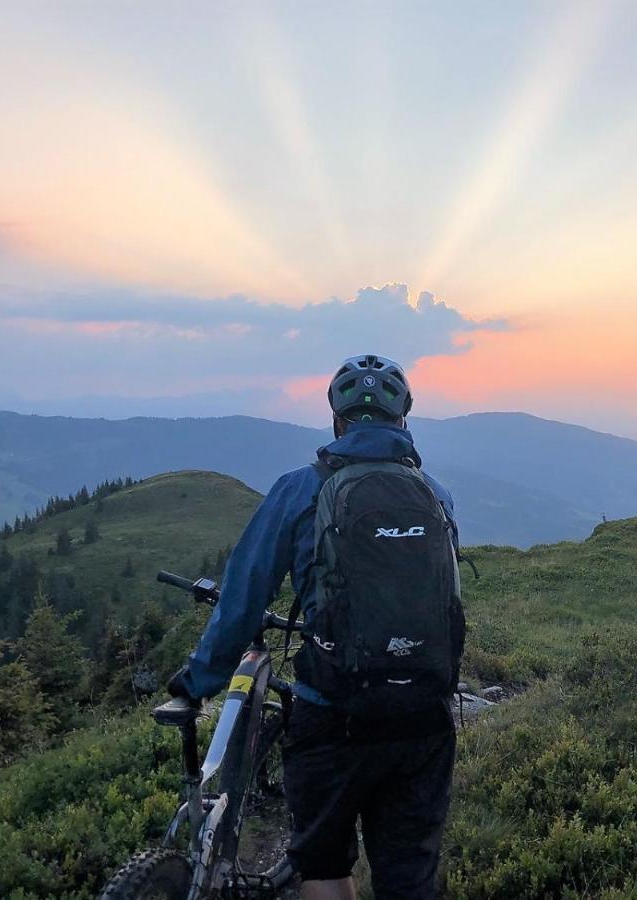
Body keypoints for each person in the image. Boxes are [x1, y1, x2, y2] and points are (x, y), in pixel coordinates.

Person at [168, 353, 461, 900]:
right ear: (405, 420)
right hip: (422, 719)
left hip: (332, 714)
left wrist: (199, 680)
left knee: (324, 865)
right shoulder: (436, 496)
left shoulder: (298, 490)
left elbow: (243, 600)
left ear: (336, 421)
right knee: (410, 876)